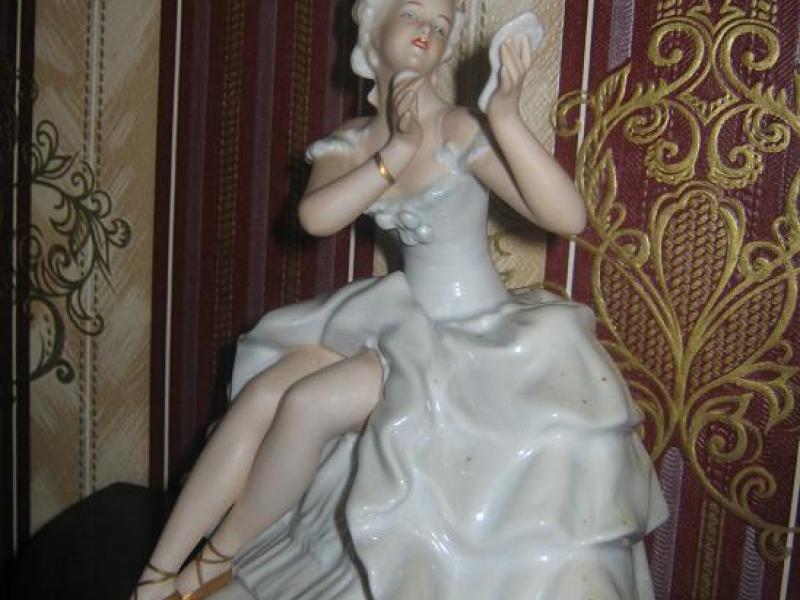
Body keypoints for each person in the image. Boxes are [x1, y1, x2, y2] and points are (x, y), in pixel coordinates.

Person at [133, 1, 666, 599]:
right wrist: (395, 151)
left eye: (440, 26)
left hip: (468, 338)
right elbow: (316, 218)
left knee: (308, 404)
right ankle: (158, 571)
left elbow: (567, 217)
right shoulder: (353, 141)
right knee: (262, 394)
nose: (427, 33)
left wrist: (505, 116)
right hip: (400, 318)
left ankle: (214, 561)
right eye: (413, 14)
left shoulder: (458, 129)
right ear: (373, 24)